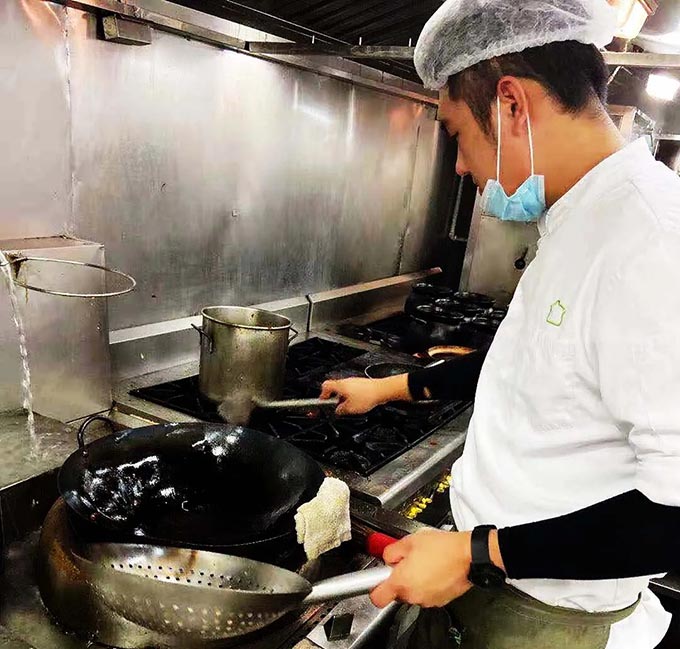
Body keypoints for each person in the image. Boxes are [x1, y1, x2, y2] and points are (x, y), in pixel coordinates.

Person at [320, 1, 680, 647]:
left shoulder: (650, 243)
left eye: (457, 133)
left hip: (540, 619)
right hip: (492, 585)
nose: (459, 165)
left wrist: (478, 554)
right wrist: (391, 388)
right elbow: (530, 367)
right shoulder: (578, 218)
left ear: (511, 104)